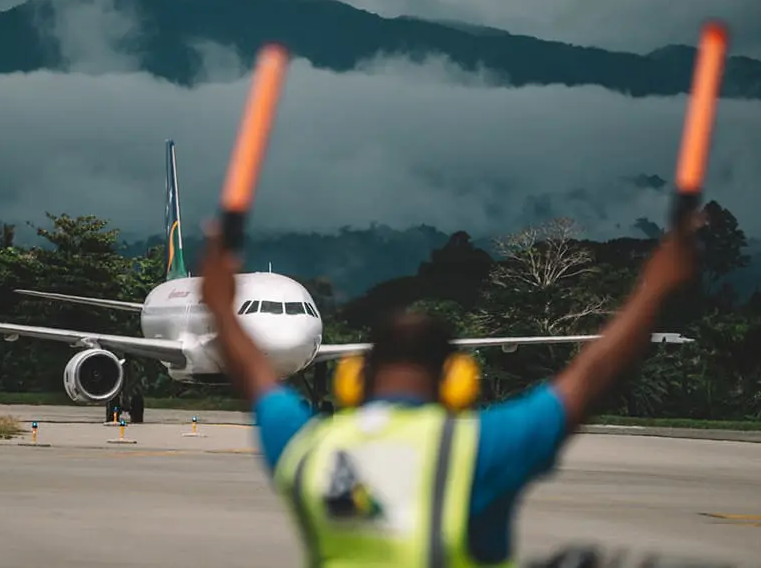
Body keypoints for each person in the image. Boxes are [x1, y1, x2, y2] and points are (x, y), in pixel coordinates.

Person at [198, 209, 703, 567]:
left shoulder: (309, 447)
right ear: (457, 380)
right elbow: (591, 378)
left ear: (356, 378)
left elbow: (253, 376)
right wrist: (654, 289)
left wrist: (221, 305)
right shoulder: (478, 446)